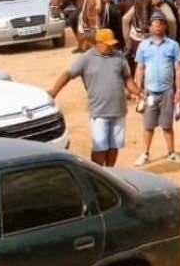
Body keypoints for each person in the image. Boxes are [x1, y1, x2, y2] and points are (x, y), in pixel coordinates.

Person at [49, 29, 139, 167]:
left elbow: (127, 79)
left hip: (119, 110)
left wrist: (139, 92)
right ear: (98, 43)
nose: (110, 47)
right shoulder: (86, 58)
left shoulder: (119, 57)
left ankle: (110, 173)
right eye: (107, 44)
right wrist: (54, 91)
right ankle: (98, 174)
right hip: (99, 112)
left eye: (112, 44)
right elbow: (67, 74)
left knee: (114, 145)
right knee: (100, 146)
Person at [132, 12, 180, 166]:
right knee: (148, 125)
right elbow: (140, 69)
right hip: (149, 92)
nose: (157, 28)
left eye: (160, 24)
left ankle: (171, 153)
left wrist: (179, 91)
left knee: (167, 125)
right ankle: (145, 153)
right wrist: (138, 91)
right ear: (149, 28)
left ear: (165, 26)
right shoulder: (143, 46)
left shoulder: (173, 45)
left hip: (167, 92)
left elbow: (178, 69)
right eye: (154, 25)